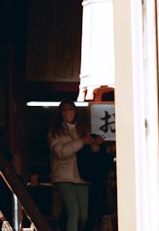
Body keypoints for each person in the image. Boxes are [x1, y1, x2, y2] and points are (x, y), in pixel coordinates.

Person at [48, 99, 104, 231]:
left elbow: (88, 153)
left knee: (83, 216)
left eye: (71, 109)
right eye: (65, 110)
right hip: (63, 175)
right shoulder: (55, 132)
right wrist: (81, 142)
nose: (69, 112)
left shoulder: (82, 129)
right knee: (74, 212)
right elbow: (60, 152)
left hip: (82, 175)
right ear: (61, 113)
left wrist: (95, 144)